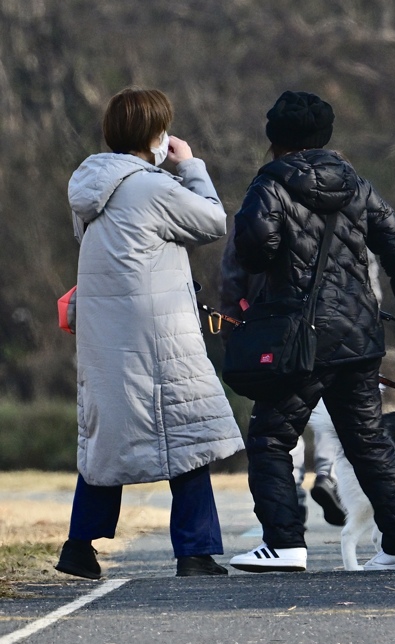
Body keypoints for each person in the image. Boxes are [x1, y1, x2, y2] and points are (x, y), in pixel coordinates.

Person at [228, 90, 395, 572]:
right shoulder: (357, 184)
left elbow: (255, 249)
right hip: (359, 334)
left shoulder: (270, 185)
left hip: (302, 338)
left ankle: (283, 542)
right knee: (367, 440)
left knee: (271, 437)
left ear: (274, 137)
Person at [56, 87, 244, 579]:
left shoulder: (90, 189)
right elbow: (211, 222)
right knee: (185, 431)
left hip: (105, 336)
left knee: (107, 438)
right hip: (158, 335)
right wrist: (190, 165)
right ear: (156, 135)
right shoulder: (152, 187)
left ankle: (79, 546)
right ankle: (195, 553)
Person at [220, 236, 346, 527]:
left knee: (280, 424)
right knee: (332, 411)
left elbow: (232, 280)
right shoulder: (344, 210)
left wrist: (234, 337)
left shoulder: (257, 212)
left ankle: (294, 490)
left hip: (273, 334)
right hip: (334, 330)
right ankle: (328, 474)